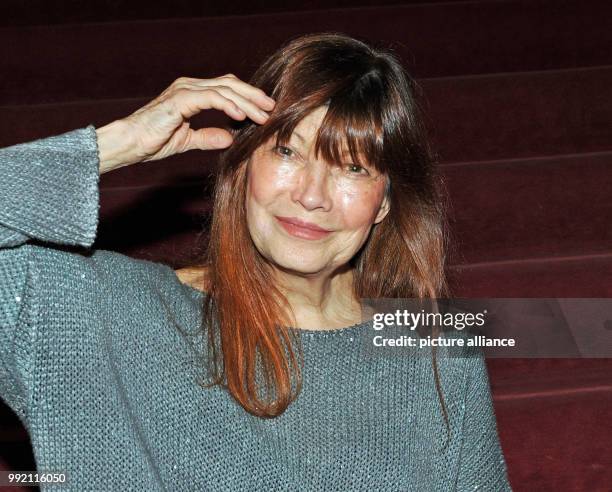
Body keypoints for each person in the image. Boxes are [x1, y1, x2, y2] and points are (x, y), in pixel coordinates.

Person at [0, 32, 511, 490]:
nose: (313, 195)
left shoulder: (436, 346)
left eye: (353, 168)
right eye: (288, 152)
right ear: (242, 167)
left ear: (385, 201)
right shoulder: (103, 314)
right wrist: (110, 145)